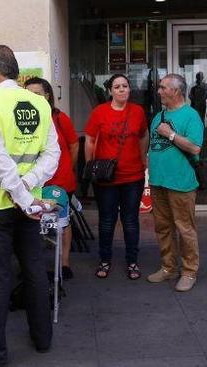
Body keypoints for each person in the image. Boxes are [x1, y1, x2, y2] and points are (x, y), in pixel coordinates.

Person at [0, 45, 60, 366]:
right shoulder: (38, 102)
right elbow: (52, 155)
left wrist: (19, 194)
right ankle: (42, 338)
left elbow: (0, 161)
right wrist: (29, 193)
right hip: (28, 205)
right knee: (34, 270)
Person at [84, 73, 148, 280]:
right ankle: (105, 260)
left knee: (130, 221)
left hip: (133, 176)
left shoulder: (137, 112)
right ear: (110, 91)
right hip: (106, 178)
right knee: (107, 221)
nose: (122, 89)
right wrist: (90, 166)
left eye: (125, 86)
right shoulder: (99, 112)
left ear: (129, 89)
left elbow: (144, 135)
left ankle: (132, 261)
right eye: (117, 86)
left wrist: (143, 158)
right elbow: (90, 140)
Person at [146, 74, 204, 292]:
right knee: (162, 227)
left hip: (181, 183)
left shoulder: (191, 116)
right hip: (159, 181)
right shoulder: (158, 116)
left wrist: (170, 134)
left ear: (176, 91)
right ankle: (168, 267)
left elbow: (195, 148)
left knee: (185, 228)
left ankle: (189, 272)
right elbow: (152, 146)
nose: (159, 91)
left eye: (163, 88)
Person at [24, 76, 78, 279]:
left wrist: (65, 168)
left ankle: (64, 263)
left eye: (37, 94)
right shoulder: (24, 118)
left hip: (60, 180)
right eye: (28, 94)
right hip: (34, 182)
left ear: (48, 96)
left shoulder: (59, 118)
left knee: (63, 223)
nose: (33, 98)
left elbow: (74, 145)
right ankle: (35, 264)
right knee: (33, 224)